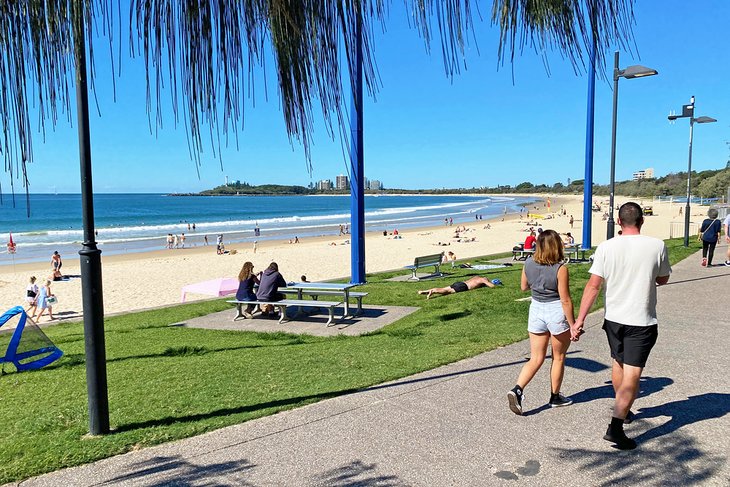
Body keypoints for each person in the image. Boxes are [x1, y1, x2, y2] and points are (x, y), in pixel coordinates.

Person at [572, 202, 671, 450]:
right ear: (642, 221)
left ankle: (624, 410)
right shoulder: (656, 245)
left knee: (618, 362)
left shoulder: (606, 247)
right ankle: (615, 428)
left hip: (614, 318)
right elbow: (663, 278)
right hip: (641, 319)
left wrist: (579, 320)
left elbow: (593, 285)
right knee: (633, 373)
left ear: (618, 222)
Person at [507, 229, 575, 416]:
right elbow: (565, 300)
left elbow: (523, 287)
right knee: (558, 357)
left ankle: (517, 389)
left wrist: (537, 282)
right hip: (555, 310)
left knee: (536, 357)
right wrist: (573, 324)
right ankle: (555, 396)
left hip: (536, 309)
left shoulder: (528, 263)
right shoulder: (561, 268)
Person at [417, 276, 499, 299]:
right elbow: (492, 286)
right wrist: (491, 284)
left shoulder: (477, 277)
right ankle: (433, 292)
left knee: (444, 288)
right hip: (464, 287)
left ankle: (425, 291)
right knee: (447, 292)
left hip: (460, 283)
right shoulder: (482, 280)